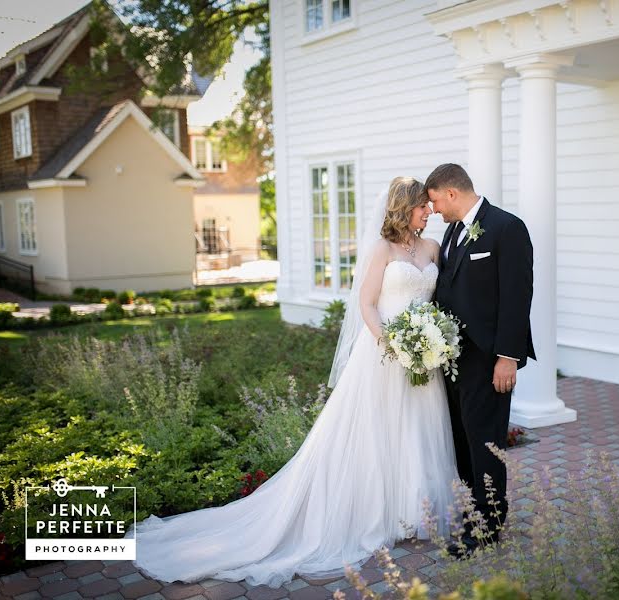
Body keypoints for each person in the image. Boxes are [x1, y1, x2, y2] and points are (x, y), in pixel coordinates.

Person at [126, 177, 458, 588]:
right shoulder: (383, 250)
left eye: (430, 206)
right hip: (384, 357)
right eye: (422, 205)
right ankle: (378, 511)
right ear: (404, 207)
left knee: (416, 431)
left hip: (423, 360)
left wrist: (430, 340)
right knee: (376, 433)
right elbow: (367, 304)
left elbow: (438, 301)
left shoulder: (432, 249)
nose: (429, 211)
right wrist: (391, 343)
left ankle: (414, 511)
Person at [426, 163, 535, 558]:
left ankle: (487, 528)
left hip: (489, 361)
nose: (434, 210)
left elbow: (517, 297)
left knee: (485, 443)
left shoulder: (507, 228)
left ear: (451, 193)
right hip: (453, 360)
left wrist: (508, 357)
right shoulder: (452, 230)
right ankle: (476, 511)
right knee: (462, 441)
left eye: (436, 201)